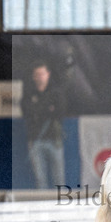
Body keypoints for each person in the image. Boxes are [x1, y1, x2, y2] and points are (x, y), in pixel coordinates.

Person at [22, 61, 66, 189]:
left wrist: (40, 110)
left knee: (59, 179)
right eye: (37, 74)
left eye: (42, 74)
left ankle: (61, 207)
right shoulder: (29, 94)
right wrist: (47, 109)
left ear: (48, 75)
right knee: (40, 179)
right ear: (33, 77)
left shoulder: (56, 93)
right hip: (36, 140)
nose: (40, 77)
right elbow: (27, 112)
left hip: (54, 140)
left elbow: (60, 111)